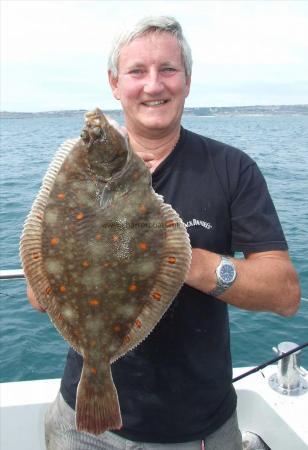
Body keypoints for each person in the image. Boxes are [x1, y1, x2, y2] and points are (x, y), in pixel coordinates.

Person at [27, 15, 301, 450]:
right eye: (137, 71)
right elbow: (39, 297)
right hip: (80, 421)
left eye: (168, 70)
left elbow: (285, 295)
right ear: (115, 83)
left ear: (188, 81)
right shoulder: (71, 168)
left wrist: (178, 259)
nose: (153, 85)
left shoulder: (232, 169)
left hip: (198, 430)